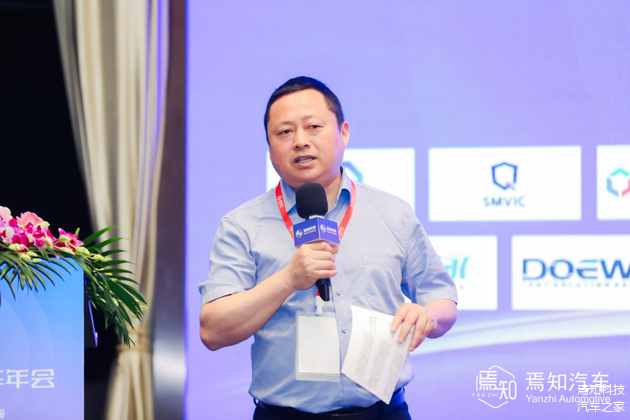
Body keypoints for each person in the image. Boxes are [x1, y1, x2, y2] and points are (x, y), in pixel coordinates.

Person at [199, 76, 458, 419]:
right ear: (270, 146)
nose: (300, 141)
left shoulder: (392, 213)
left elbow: (441, 298)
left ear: (343, 132)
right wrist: (289, 278)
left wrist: (428, 316)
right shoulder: (241, 225)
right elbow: (213, 331)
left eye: (313, 127)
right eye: (284, 132)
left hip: (383, 413)